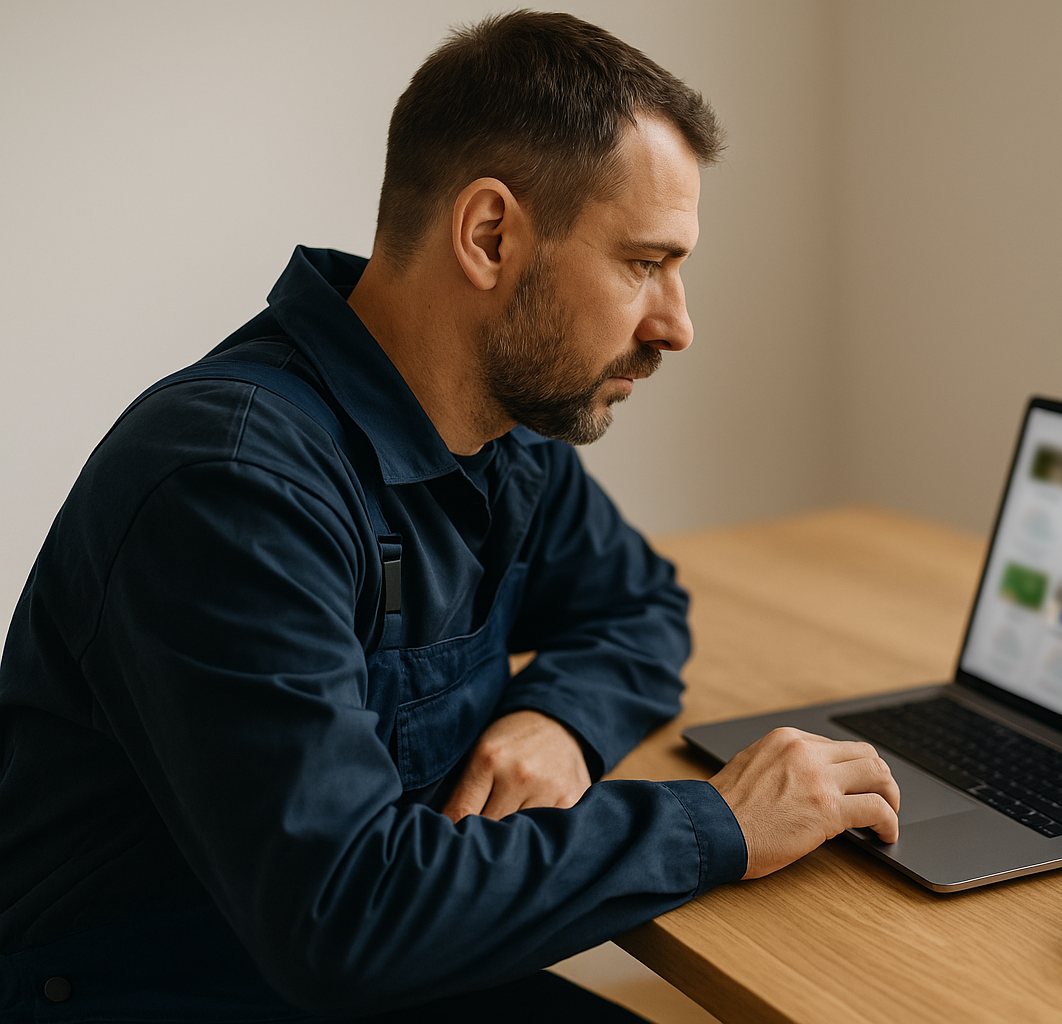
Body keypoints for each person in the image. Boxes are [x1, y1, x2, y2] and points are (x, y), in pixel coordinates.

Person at [0, 12, 900, 1021]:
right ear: (489, 235)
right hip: (169, 987)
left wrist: (559, 718)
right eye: (645, 263)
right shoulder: (232, 488)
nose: (676, 325)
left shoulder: (498, 440)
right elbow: (346, 914)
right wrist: (718, 822)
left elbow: (638, 604)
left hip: (383, 952)